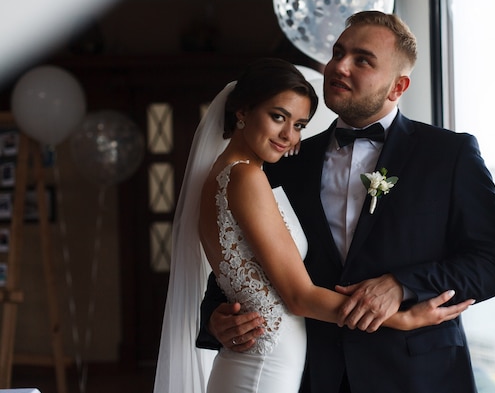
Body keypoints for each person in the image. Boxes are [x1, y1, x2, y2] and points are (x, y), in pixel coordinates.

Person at [197, 11, 495, 393]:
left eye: (362, 60)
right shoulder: (284, 161)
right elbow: (244, 258)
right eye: (338, 52)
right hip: (314, 375)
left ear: (398, 87)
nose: (338, 67)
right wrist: (217, 318)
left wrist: (403, 285)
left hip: (418, 377)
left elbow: (492, 264)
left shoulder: (450, 154)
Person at [153, 57, 474, 393]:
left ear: (398, 84)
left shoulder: (228, 175)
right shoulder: (247, 177)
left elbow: (244, 267)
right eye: (278, 117)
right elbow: (298, 295)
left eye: (299, 125)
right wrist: (404, 319)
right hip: (266, 365)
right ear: (243, 112)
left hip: (276, 361)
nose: (288, 135)